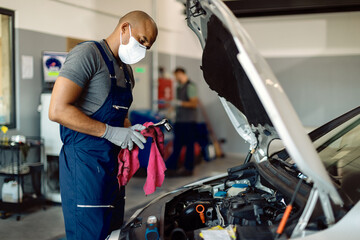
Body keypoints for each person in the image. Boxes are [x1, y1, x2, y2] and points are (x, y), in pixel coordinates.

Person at [48, 11, 157, 240]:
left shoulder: (126, 72)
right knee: (89, 234)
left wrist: (129, 129)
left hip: (112, 168)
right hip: (85, 165)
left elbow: (120, 117)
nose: (144, 48)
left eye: (149, 45)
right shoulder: (87, 54)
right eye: (143, 40)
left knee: (112, 233)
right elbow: (57, 110)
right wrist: (110, 132)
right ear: (125, 28)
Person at [166, 67, 198, 176]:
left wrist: (179, 103)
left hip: (188, 121)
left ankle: (188, 169)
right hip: (180, 121)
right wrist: (170, 111)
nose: (175, 78)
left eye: (176, 76)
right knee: (177, 145)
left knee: (189, 146)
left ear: (180, 74)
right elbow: (176, 103)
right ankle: (172, 167)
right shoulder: (179, 87)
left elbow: (194, 104)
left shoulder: (190, 86)